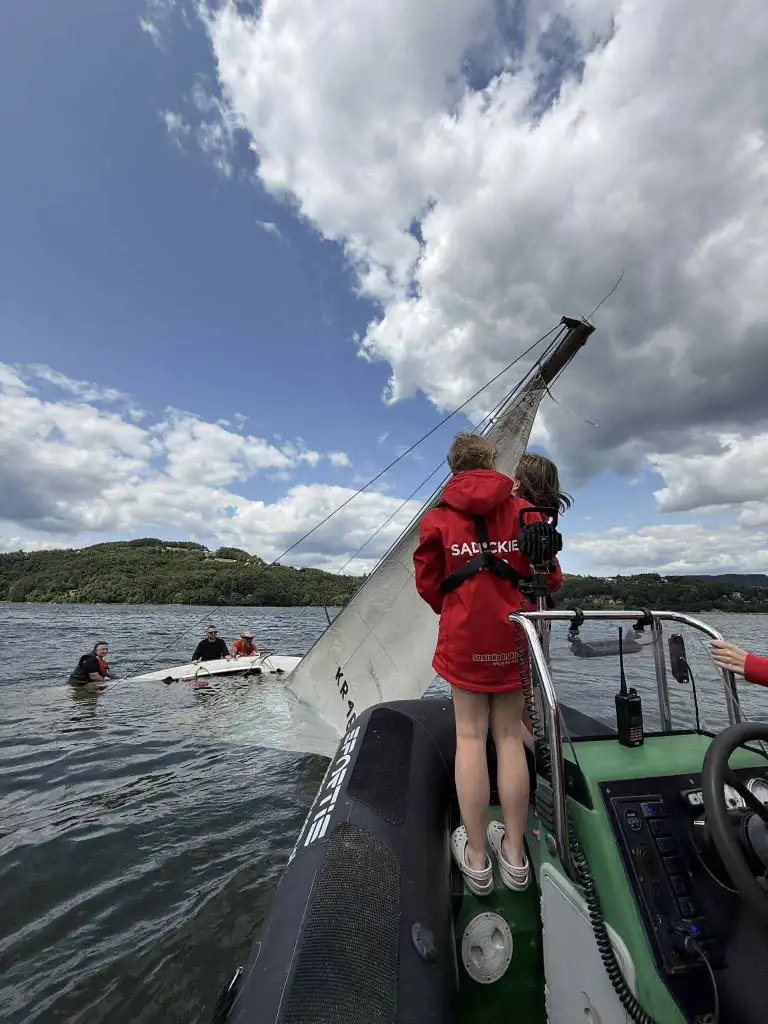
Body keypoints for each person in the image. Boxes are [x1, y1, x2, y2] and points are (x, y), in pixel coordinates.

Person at [413, 432, 563, 896]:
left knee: (470, 738)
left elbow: (428, 584)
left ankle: (476, 858)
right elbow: (550, 577)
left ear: (454, 468)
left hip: (464, 640)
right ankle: (516, 856)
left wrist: (459, 609)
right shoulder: (525, 512)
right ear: (492, 461)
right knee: (507, 738)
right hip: (514, 635)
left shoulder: (437, 518)